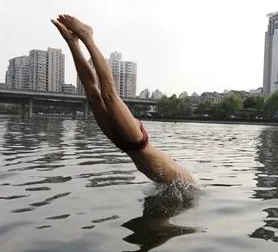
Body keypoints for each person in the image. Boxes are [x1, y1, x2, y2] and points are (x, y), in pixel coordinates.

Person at [51, 14, 193, 185]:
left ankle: (72, 42)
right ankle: (87, 37)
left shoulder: (184, 179)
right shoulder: (189, 184)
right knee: (109, 95)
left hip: (127, 145)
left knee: (93, 96)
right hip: (136, 142)